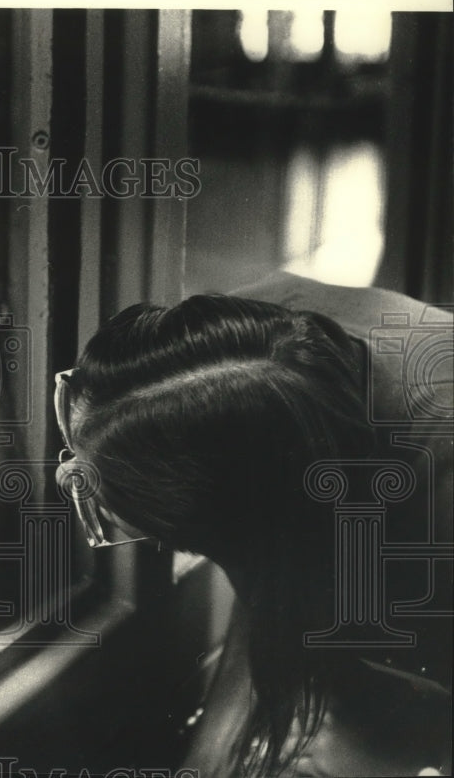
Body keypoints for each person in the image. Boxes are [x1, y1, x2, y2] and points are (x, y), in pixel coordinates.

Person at [54, 270, 452, 777]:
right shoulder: (230, 344)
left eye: (104, 493)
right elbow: (260, 559)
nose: (66, 475)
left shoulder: (435, 534)